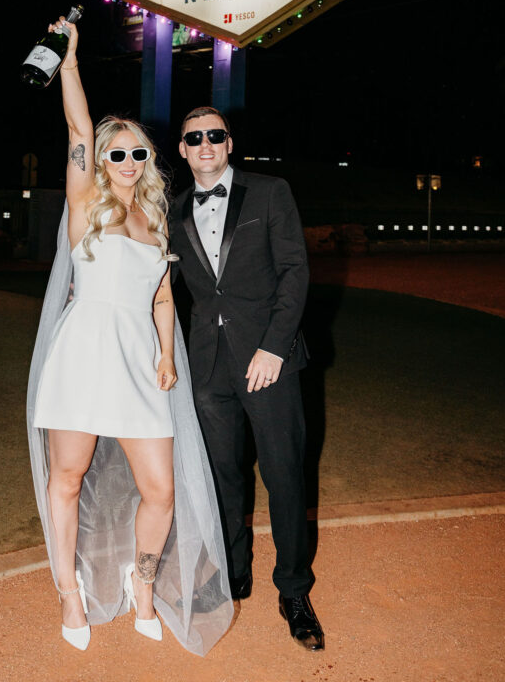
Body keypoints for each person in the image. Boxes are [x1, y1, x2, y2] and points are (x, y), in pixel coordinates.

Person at [26, 23, 232, 656]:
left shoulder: (155, 220)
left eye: (137, 152)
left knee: (161, 490)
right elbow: (80, 132)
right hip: (85, 352)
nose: (126, 160)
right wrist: (71, 62)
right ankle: (69, 590)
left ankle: (141, 584)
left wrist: (167, 353)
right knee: (68, 476)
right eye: (116, 152)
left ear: (148, 160)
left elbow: (162, 295)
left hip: (141, 363)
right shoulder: (85, 202)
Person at [169, 106, 324, 651]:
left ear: (229, 143)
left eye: (215, 135)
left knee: (284, 476)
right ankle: (234, 570)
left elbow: (294, 271)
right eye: (195, 138)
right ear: (183, 150)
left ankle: (294, 590)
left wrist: (273, 348)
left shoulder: (269, 191)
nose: (206, 144)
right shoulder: (173, 208)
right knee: (220, 478)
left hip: (268, 361)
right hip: (207, 366)